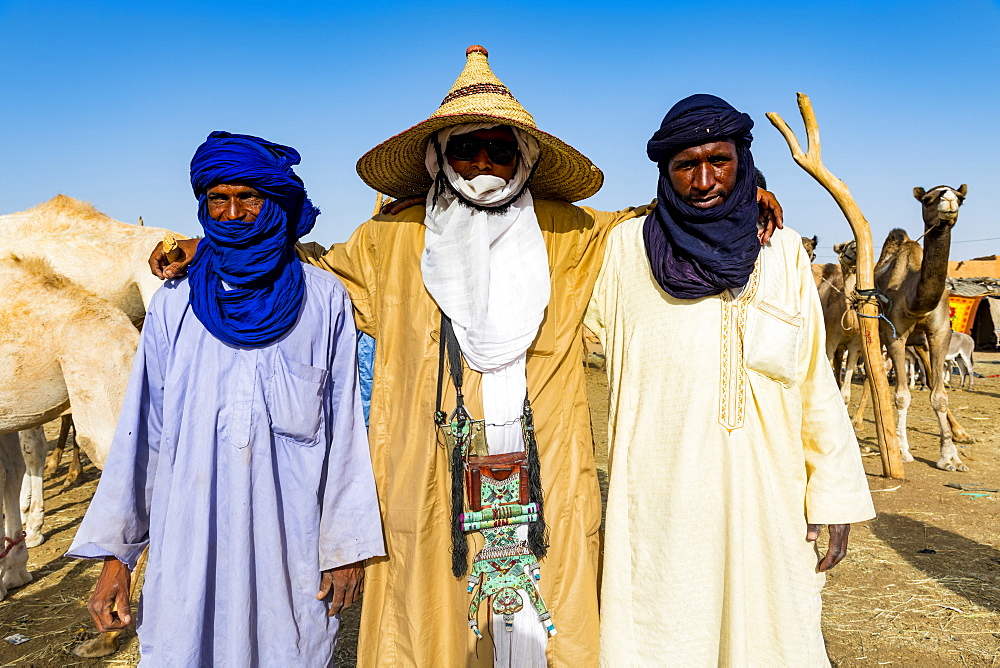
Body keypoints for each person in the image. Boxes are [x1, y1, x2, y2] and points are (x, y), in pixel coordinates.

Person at [150, 49, 782, 667]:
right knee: (431, 628)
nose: (484, 161)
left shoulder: (573, 232)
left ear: (524, 157)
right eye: (465, 147)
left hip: (545, 475)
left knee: (545, 629)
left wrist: (742, 197)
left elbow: (664, 220)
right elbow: (299, 269)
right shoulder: (389, 240)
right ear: (438, 158)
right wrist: (206, 249)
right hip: (429, 477)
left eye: (500, 148)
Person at [68, 132, 384, 666]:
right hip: (190, 541)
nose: (233, 213)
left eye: (248, 197)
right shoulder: (175, 303)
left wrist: (344, 549)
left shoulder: (323, 299)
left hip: (290, 547)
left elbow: (346, 434)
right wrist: (117, 561)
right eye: (219, 198)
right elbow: (142, 435)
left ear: (275, 201)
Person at [585, 94, 876, 666]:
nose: (703, 180)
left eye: (719, 159)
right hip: (660, 501)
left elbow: (814, 380)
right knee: (662, 634)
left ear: (743, 158)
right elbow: (551, 238)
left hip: (767, 499)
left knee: (771, 635)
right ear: (664, 175)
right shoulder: (624, 251)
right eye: (684, 165)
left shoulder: (786, 253)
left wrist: (834, 497)